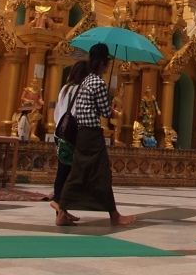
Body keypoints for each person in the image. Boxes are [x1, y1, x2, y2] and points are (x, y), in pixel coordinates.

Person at [55, 43, 136, 227]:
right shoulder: (98, 82)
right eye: (107, 62)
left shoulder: (85, 80)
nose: (108, 66)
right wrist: (114, 109)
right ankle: (114, 216)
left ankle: (61, 212)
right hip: (92, 135)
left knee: (78, 173)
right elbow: (106, 112)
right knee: (102, 174)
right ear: (101, 63)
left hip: (81, 134)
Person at [46, 61, 87, 210]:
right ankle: (58, 202)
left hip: (60, 132)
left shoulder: (65, 88)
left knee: (64, 170)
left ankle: (62, 209)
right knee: (68, 173)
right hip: (73, 134)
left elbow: (57, 114)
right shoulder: (82, 90)